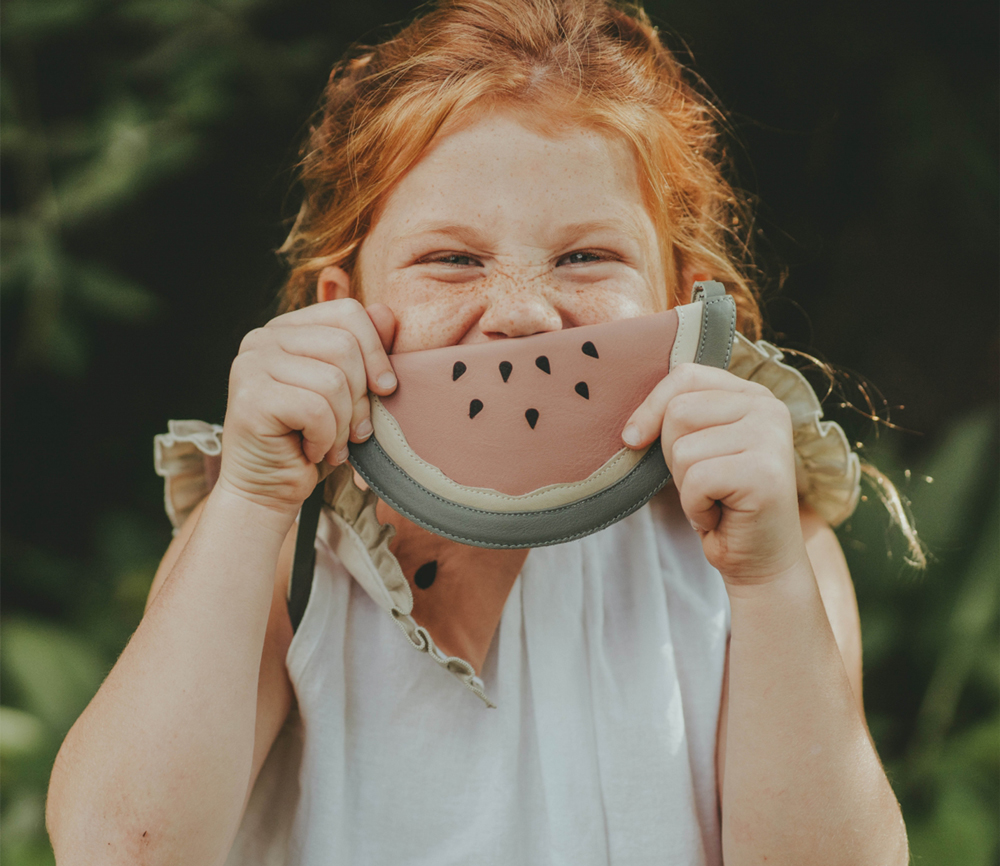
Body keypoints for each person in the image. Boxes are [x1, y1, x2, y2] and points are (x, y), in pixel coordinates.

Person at [46, 1, 910, 863]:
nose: (524, 316)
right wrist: (248, 495)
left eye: (584, 257)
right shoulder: (285, 544)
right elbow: (120, 851)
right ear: (340, 311)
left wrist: (766, 582)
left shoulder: (758, 545)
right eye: (453, 260)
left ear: (681, 304)